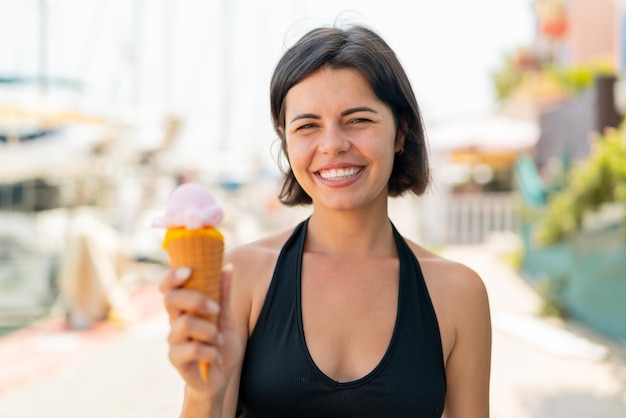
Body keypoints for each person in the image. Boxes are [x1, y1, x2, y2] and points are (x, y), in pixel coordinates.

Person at [160, 23, 491, 418]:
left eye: (358, 120)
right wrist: (202, 394)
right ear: (286, 140)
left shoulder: (457, 293)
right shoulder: (241, 277)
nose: (332, 144)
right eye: (307, 126)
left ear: (401, 131)